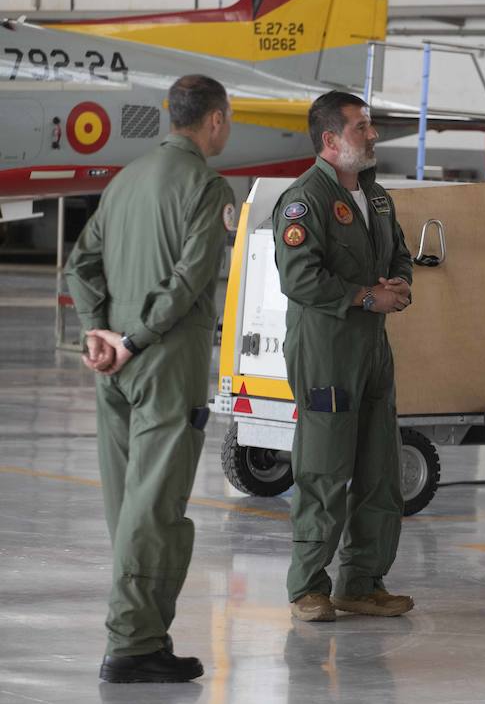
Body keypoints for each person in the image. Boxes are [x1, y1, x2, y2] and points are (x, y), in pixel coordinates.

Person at [65, 74, 236, 683]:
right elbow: (190, 282)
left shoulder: (124, 179)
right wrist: (136, 339)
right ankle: (133, 644)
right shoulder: (207, 187)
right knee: (155, 508)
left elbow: (79, 264)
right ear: (214, 120)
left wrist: (97, 332)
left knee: (126, 506)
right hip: (161, 362)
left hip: (111, 366)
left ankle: (140, 634)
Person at [273, 90, 414, 623]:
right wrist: (362, 296)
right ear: (330, 140)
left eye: (370, 124)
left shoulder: (376, 197)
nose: (372, 134)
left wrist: (400, 285)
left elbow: (398, 250)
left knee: (381, 467)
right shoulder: (303, 200)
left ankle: (362, 581)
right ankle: (308, 584)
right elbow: (299, 276)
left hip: (373, 346)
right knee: (325, 469)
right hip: (327, 347)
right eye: (361, 127)